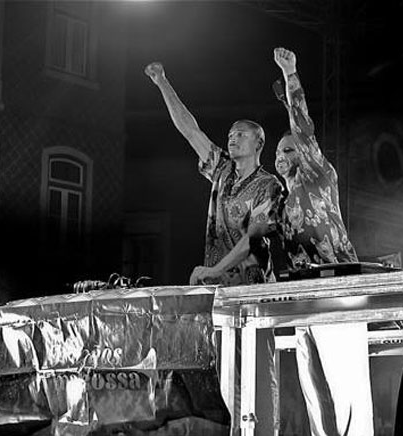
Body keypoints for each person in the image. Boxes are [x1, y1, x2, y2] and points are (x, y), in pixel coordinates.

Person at [145, 61, 283, 435]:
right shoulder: (221, 171)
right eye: (230, 134)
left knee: (255, 374)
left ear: (258, 143)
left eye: (241, 134)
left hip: (252, 294)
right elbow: (189, 129)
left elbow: (253, 240)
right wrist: (162, 82)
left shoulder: (269, 185)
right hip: (218, 293)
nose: (232, 138)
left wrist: (213, 270)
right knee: (220, 376)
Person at [273, 47, 375, 436]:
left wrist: (291, 77)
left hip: (340, 288)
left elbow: (303, 127)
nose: (282, 155)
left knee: (346, 387)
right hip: (305, 295)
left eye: (288, 149)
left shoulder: (319, 175)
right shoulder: (281, 204)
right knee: (314, 390)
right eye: (278, 151)